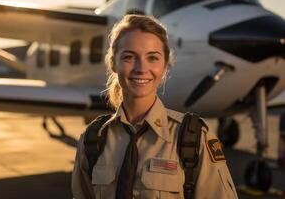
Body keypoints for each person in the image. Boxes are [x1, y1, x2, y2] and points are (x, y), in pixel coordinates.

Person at [72, 14, 238, 199]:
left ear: (165, 65)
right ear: (112, 63)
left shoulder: (193, 138)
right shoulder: (92, 139)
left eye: (152, 58)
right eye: (129, 57)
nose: (141, 68)